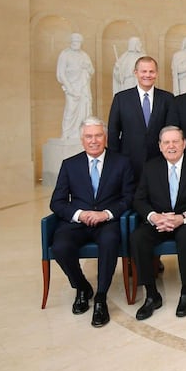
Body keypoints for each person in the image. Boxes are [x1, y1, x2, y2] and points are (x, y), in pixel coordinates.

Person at [49, 117, 134, 327]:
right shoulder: (70, 165)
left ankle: (101, 298)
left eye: (98, 135)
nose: (94, 140)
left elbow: (129, 197)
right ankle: (82, 286)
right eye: (89, 136)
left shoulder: (122, 162)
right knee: (60, 247)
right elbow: (57, 202)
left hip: (107, 222)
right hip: (77, 223)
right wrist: (79, 214)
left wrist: (106, 213)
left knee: (109, 242)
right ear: (82, 140)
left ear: (105, 138)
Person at [131, 126, 186, 320]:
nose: (171, 146)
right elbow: (139, 199)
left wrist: (183, 217)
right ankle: (152, 295)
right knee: (138, 238)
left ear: (184, 144)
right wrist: (154, 217)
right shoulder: (150, 167)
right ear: (160, 146)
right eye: (166, 142)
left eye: (176, 141)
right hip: (159, 221)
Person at [107, 56, 176, 182]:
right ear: (136, 73)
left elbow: (171, 130)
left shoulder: (167, 99)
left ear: (156, 73)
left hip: (159, 160)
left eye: (151, 71)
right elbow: (113, 131)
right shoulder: (121, 99)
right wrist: (114, 159)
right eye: (144, 71)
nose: (147, 75)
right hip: (128, 161)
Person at [56, 33, 94, 139]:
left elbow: (91, 70)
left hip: (84, 87)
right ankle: (67, 134)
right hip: (72, 87)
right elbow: (61, 74)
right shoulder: (65, 54)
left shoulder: (84, 55)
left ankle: (83, 134)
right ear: (71, 42)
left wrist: (87, 67)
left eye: (79, 42)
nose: (77, 44)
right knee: (71, 110)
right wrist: (70, 89)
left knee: (85, 111)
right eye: (75, 41)